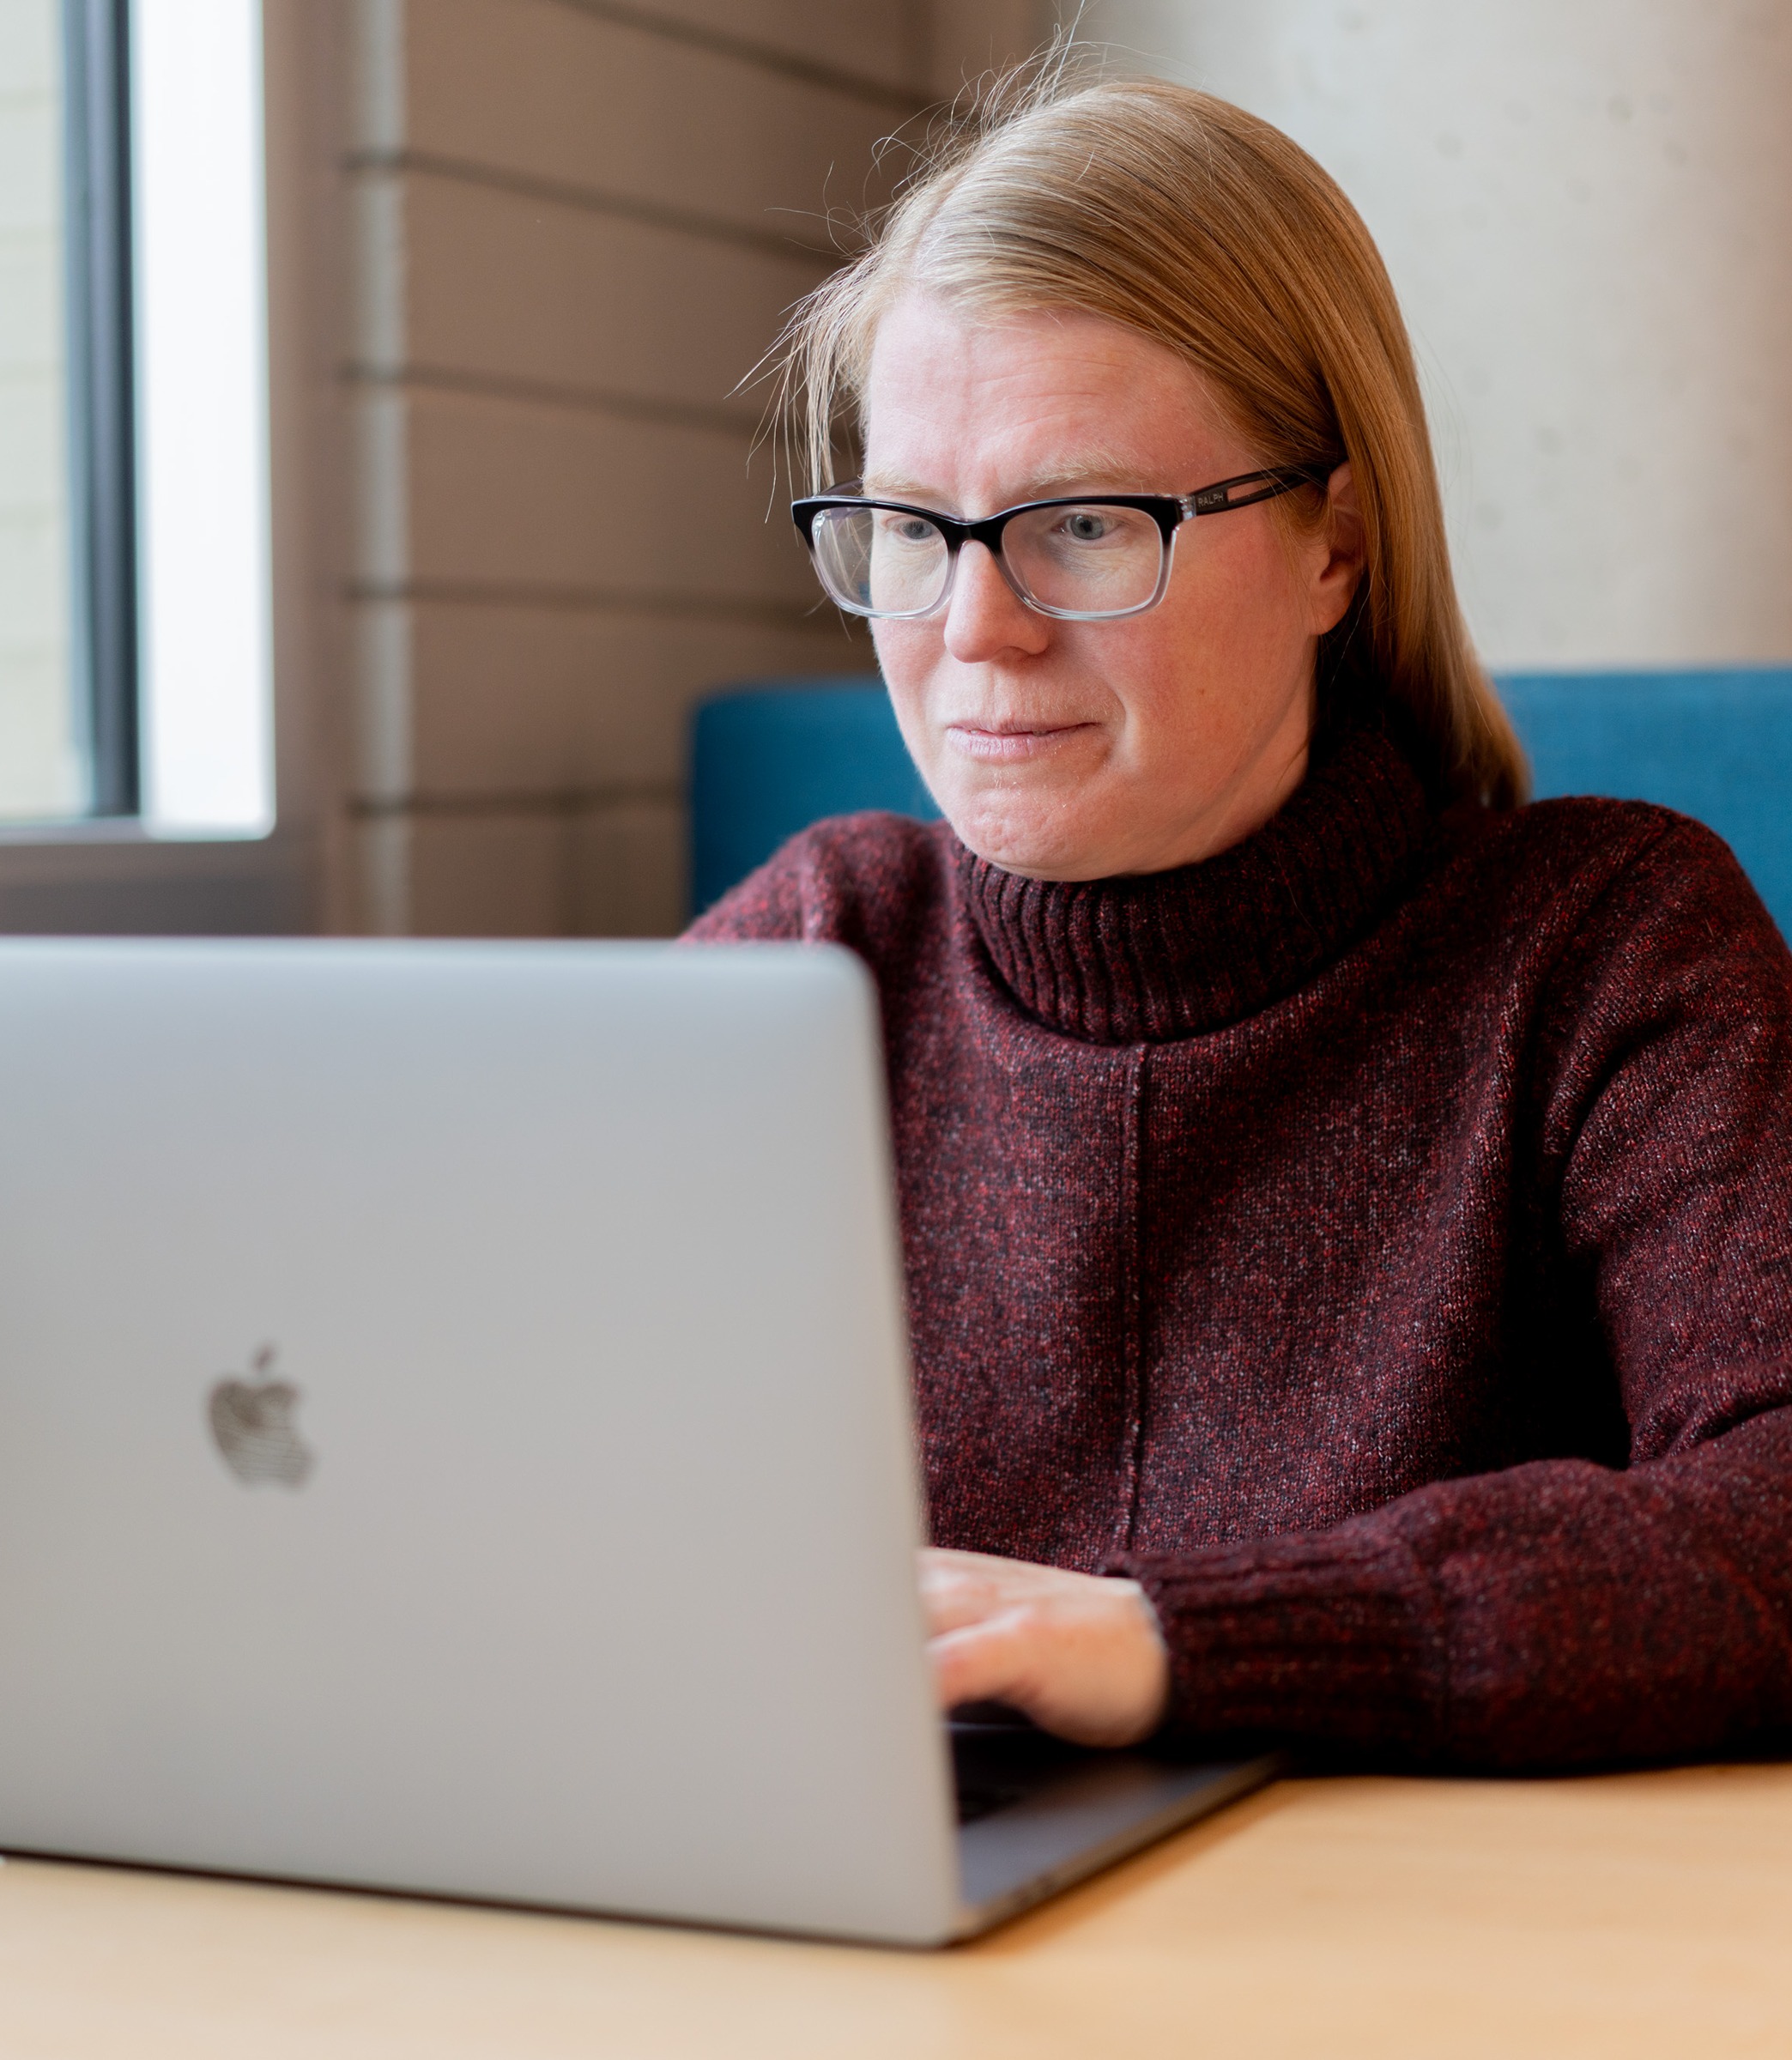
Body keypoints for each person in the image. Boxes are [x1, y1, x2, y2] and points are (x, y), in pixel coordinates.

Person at [685, 72, 1792, 1768]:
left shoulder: (1605, 949)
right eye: (909, 528)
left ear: (1334, 547)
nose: (974, 630)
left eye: (1080, 525)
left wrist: (1172, 1644)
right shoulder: (815, 953)